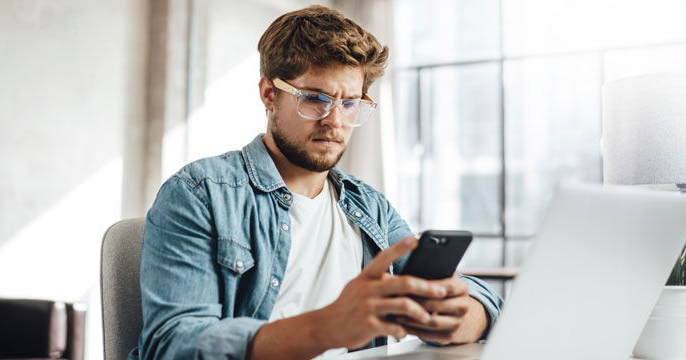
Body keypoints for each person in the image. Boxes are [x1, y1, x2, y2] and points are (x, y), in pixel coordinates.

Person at [130, 5, 502, 360]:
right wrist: (326, 327)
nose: (334, 120)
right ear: (268, 94)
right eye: (314, 99)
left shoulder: (368, 206)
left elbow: (479, 303)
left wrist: (455, 316)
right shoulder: (200, 194)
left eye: (350, 103)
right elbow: (173, 345)